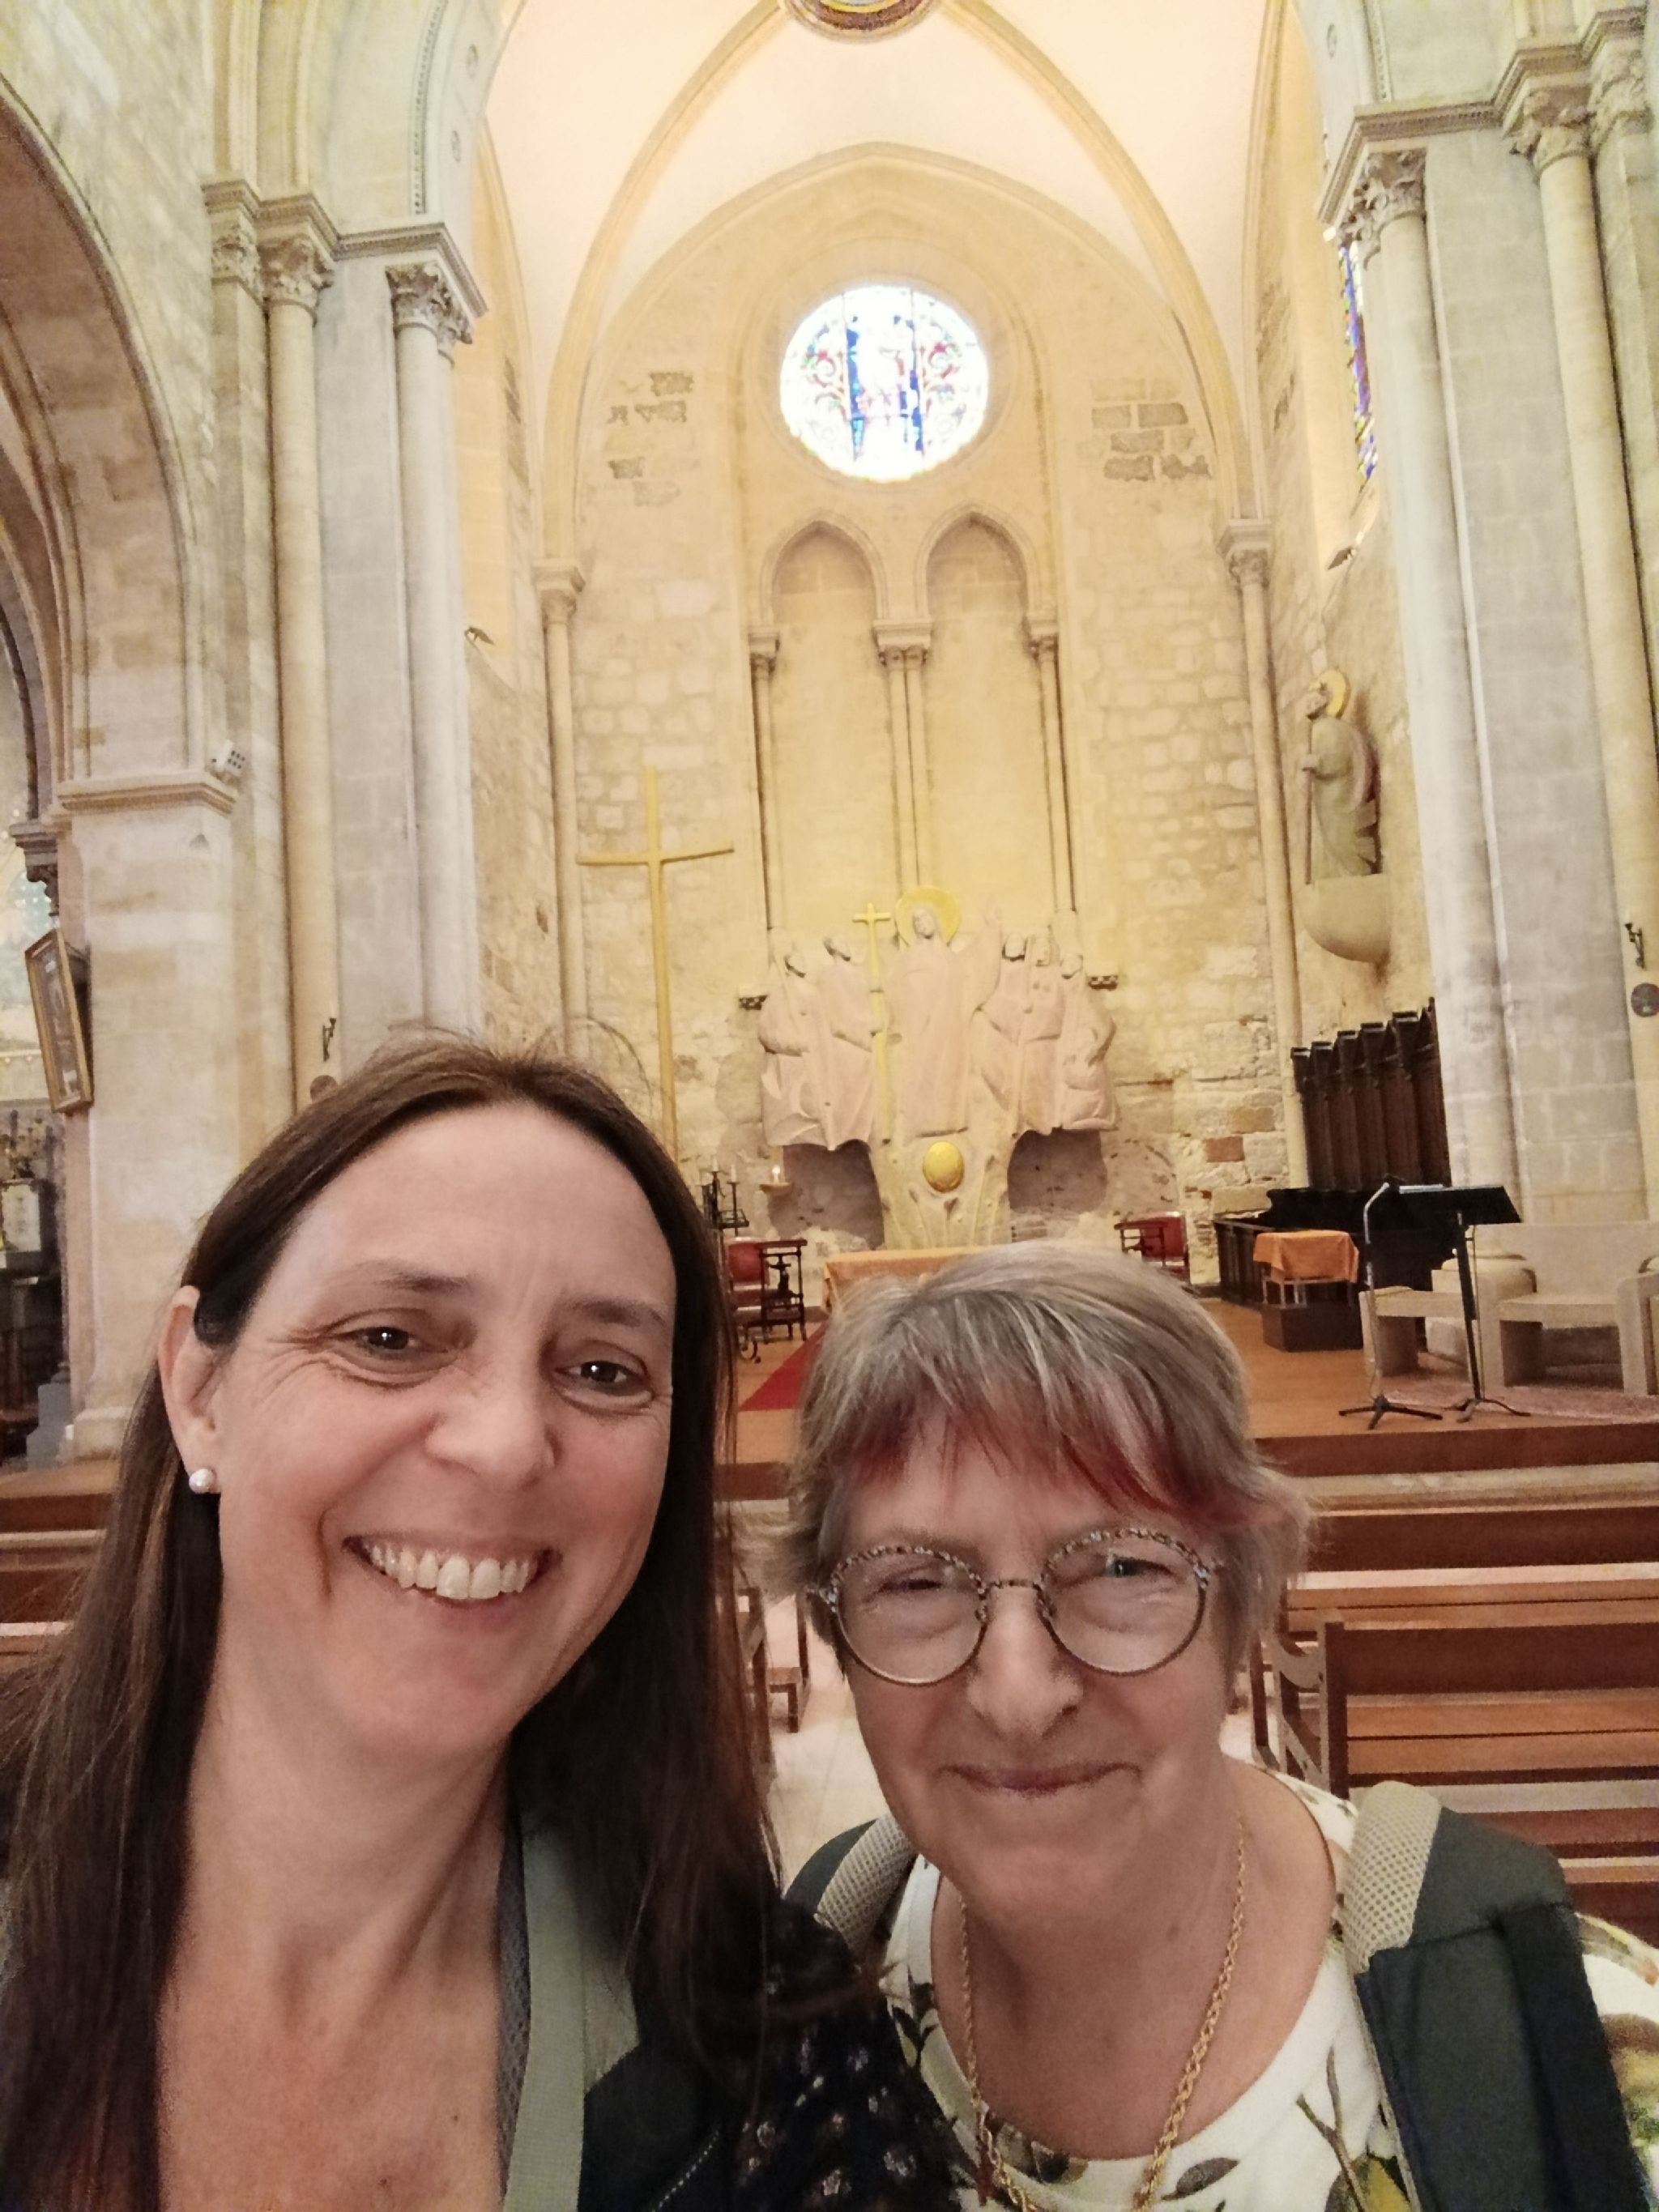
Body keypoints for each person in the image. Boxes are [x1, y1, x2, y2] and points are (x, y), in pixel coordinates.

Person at [0, 1036, 953, 2212]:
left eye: (603, 1370)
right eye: (389, 1339)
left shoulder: (765, 2049)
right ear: (200, 1392)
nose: (504, 1447)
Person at [775, 1245, 1659, 2210]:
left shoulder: (1584, 2059)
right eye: (915, 1581)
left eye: (1121, 1568)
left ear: (1239, 1605)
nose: (1018, 1698)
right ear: (833, 1626)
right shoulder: (799, 1995)